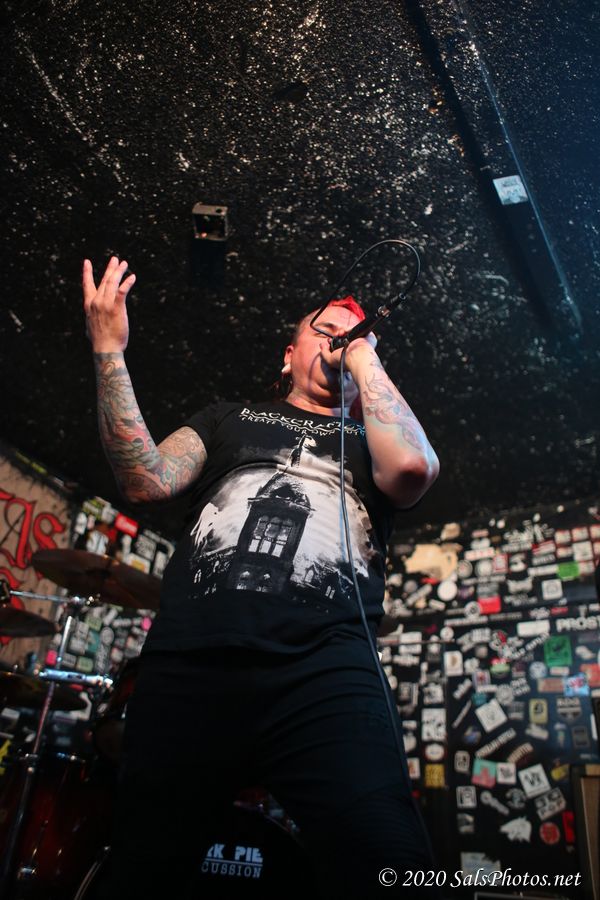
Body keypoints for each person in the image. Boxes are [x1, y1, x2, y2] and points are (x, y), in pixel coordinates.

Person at [82, 255, 441, 899]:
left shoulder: (373, 442)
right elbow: (144, 478)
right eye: (325, 330)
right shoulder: (228, 418)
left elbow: (413, 469)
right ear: (288, 353)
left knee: (389, 862)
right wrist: (109, 349)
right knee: (143, 871)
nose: (340, 340)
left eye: (355, 334)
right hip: (193, 665)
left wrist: (364, 359)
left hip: (325, 671)